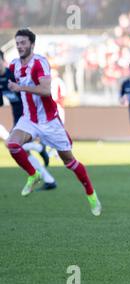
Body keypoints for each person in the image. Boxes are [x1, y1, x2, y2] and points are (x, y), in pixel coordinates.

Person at [6, 29, 101, 216]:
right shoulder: (14, 65)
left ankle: (91, 194)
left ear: (32, 44)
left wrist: (20, 87)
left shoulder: (39, 62)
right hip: (29, 119)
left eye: (23, 43)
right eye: (17, 43)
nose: (19, 46)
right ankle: (34, 174)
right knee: (12, 144)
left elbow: (45, 90)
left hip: (49, 122)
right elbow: (4, 75)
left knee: (70, 161)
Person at [0, 49, 57, 191]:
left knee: (12, 145)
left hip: (30, 115)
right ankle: (49, 180)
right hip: (18, 117)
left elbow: (34, 88)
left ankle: (39, 148)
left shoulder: (13, 74)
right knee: (21, 150)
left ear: (3, 61)